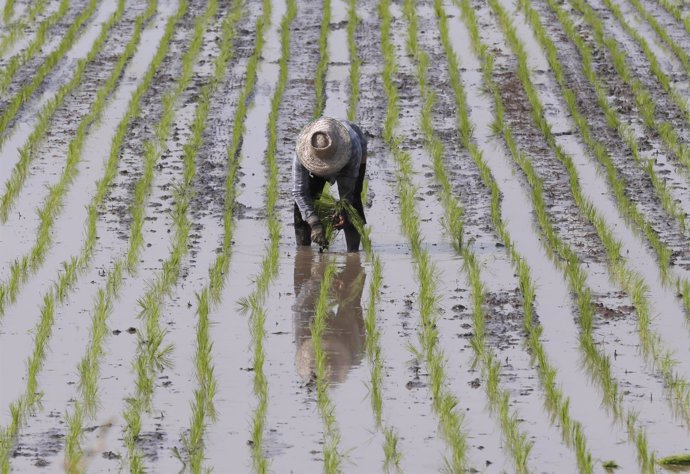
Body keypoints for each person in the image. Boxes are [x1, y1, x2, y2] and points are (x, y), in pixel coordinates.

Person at [292, 116, 367, 252]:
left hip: (351, 158)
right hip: (317, 163)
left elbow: (347, 193)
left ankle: (353, 252)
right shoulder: (303, 148)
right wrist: (314, 223)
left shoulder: (352, 146)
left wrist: (342, 211)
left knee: (353, 204)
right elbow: (299, 192)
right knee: (303, 204)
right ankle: (303, 250)